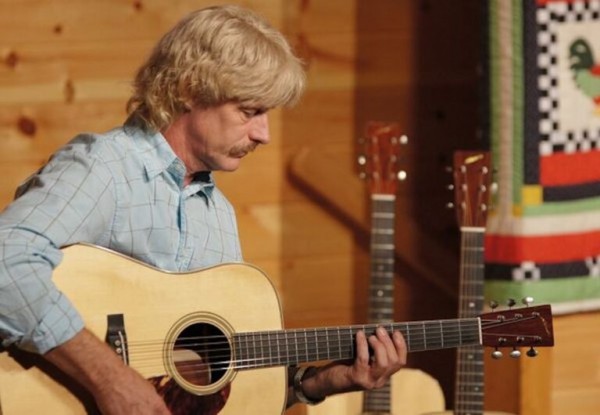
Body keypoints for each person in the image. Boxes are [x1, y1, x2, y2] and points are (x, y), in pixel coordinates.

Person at [0, 4, 407, 414]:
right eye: (249, 111)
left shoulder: (218, 216)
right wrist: (111, 378)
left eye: (266, 113)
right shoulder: (103, 168)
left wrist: (322, 382)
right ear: (189, 89)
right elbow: (6, 261)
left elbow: (216, 388)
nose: (263, 134)